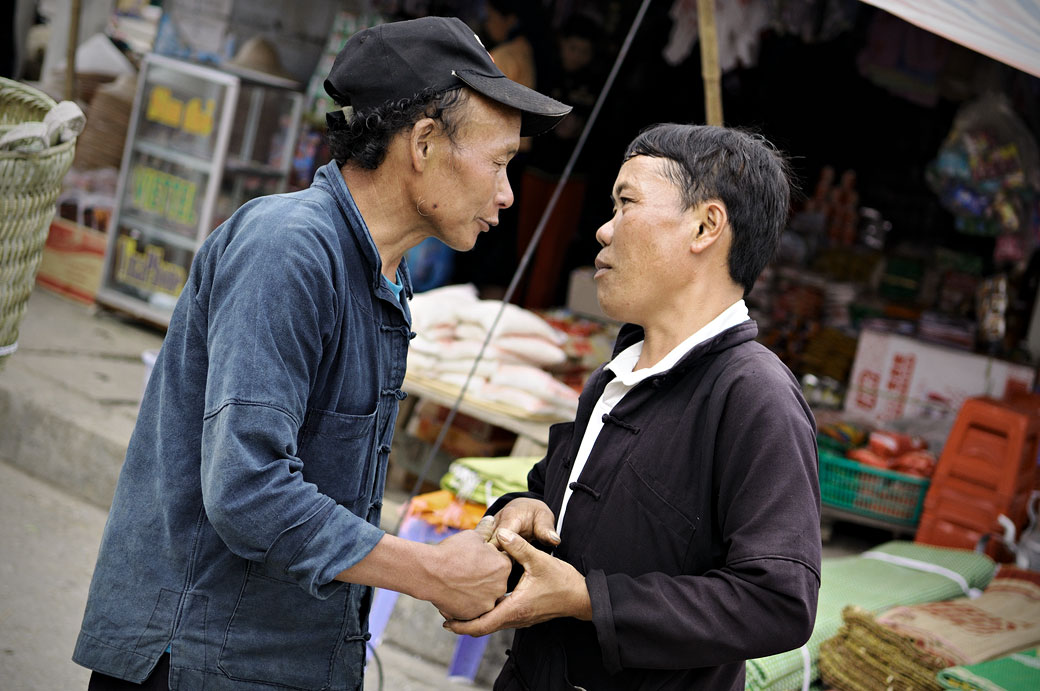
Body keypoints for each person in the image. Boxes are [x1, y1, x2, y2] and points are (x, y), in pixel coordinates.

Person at [73, 16, 570, 691]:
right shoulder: (289, 247)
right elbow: (247, 488)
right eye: (500, 161)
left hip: (290, 663)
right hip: (198, 663)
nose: (508, 195)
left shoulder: (383, 279)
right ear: (423, 143)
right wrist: (431, 571)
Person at [446, 124, 822, 690]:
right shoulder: (619, 369)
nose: (602, 230)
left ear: (705, 226)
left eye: (626, 204)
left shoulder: (754, 396)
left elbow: (777, 600)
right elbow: (551, 493)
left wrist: (589, 600)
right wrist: (525, 507)